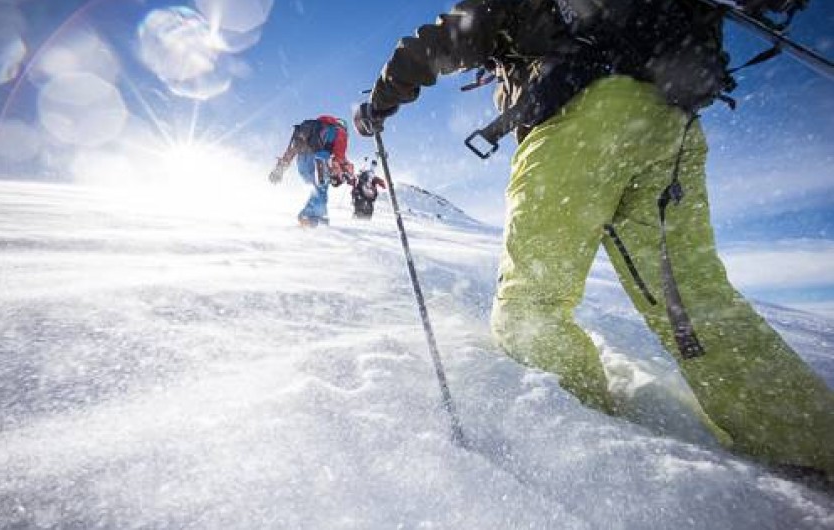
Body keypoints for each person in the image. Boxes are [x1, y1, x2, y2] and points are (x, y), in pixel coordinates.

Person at [353, 0, 834, 478]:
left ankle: (586, 453)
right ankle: (807, 442)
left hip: (581, 123)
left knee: (531, 306)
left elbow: (449, 36)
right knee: (693, 303)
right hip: (670, 121)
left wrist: (379, 101)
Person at [270, 115, 354, 227]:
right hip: (320, 159)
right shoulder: (339, 131)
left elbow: (292, 149)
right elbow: (339, 157)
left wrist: (279, 169)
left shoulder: (309, 129)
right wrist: (342, 172)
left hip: (302, 162)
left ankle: (318, 219)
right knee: (321, 189)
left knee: (317, 190)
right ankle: (308, 217)